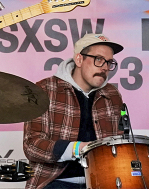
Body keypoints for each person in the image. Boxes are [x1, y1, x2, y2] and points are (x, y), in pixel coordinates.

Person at [23, 33, 125, 189]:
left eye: (109, 62)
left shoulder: (112, 94)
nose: (105, 67)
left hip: (104, 181)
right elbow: (32, 146)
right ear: (79, 59)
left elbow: (121, 143)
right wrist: (78, 149)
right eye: (99, 59)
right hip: (54, 181)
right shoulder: (44, 90)